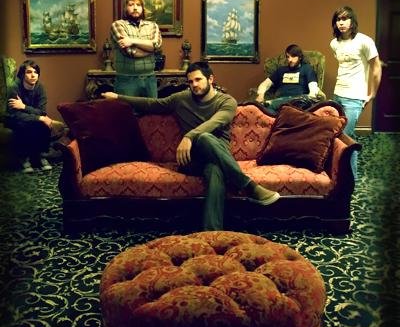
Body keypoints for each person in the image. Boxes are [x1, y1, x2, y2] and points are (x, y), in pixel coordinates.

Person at [102, 60, 280, 231]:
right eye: (190, 81)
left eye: (198, 79)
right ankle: (249, 187)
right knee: (203, 138)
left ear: (211, 79)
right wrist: (118, 97)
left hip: (218, 157)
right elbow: (151, 104)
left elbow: (215, 122)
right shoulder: (181, 99)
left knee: (213, 165)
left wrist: (189, 136)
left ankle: (211, 233)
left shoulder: (227, 102)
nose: (194, 85)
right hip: (191, 160)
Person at [330, 5, 382, 178]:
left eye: (345, 19)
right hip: (337, 94)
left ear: (352, 21)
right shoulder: (334, 44)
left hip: (354, 97)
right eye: (338, 19)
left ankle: (350, 178)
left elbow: (376, 67)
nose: (341, 23)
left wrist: (372, 93)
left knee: (346, 136)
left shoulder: (364, 41)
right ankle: (336, 172)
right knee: (335, 133)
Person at [6, 59, 54, 173]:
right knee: (24, 124)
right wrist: (38, 117)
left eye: (36, 72)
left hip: (28, 115)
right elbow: (15, 114)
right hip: (13, 118)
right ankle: (24, 158)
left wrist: (23, 107)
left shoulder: (40, 88)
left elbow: (42, 112)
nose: (33, 75)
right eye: (29, 72)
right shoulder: (14, 87)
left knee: (43, 124)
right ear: (23, 74)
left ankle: (41, 156)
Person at [110, 0, 162, 98]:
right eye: (131, 4)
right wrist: (151, 48)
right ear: (125, 8)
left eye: (138, 5)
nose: (135, 8)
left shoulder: (153, 26)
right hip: (126, 80)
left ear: (142, 8)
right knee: (127, 108)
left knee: (152, 108)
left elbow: (157, 45)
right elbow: (130, 52)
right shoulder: (117, 25)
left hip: (149, 79)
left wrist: (132, 41)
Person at [255, 44, 320, 114]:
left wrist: (312, 96)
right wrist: (261, 95)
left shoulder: (306, 68)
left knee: (301, 100)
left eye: (293, 56)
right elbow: (265, 84)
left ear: (300, 57)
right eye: (288, 57)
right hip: (280, 101)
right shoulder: (281, 70)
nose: (290, 60)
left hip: (299, 101)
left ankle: (272, 104)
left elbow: (313, 85)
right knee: (267, 110)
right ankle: (277, 108)